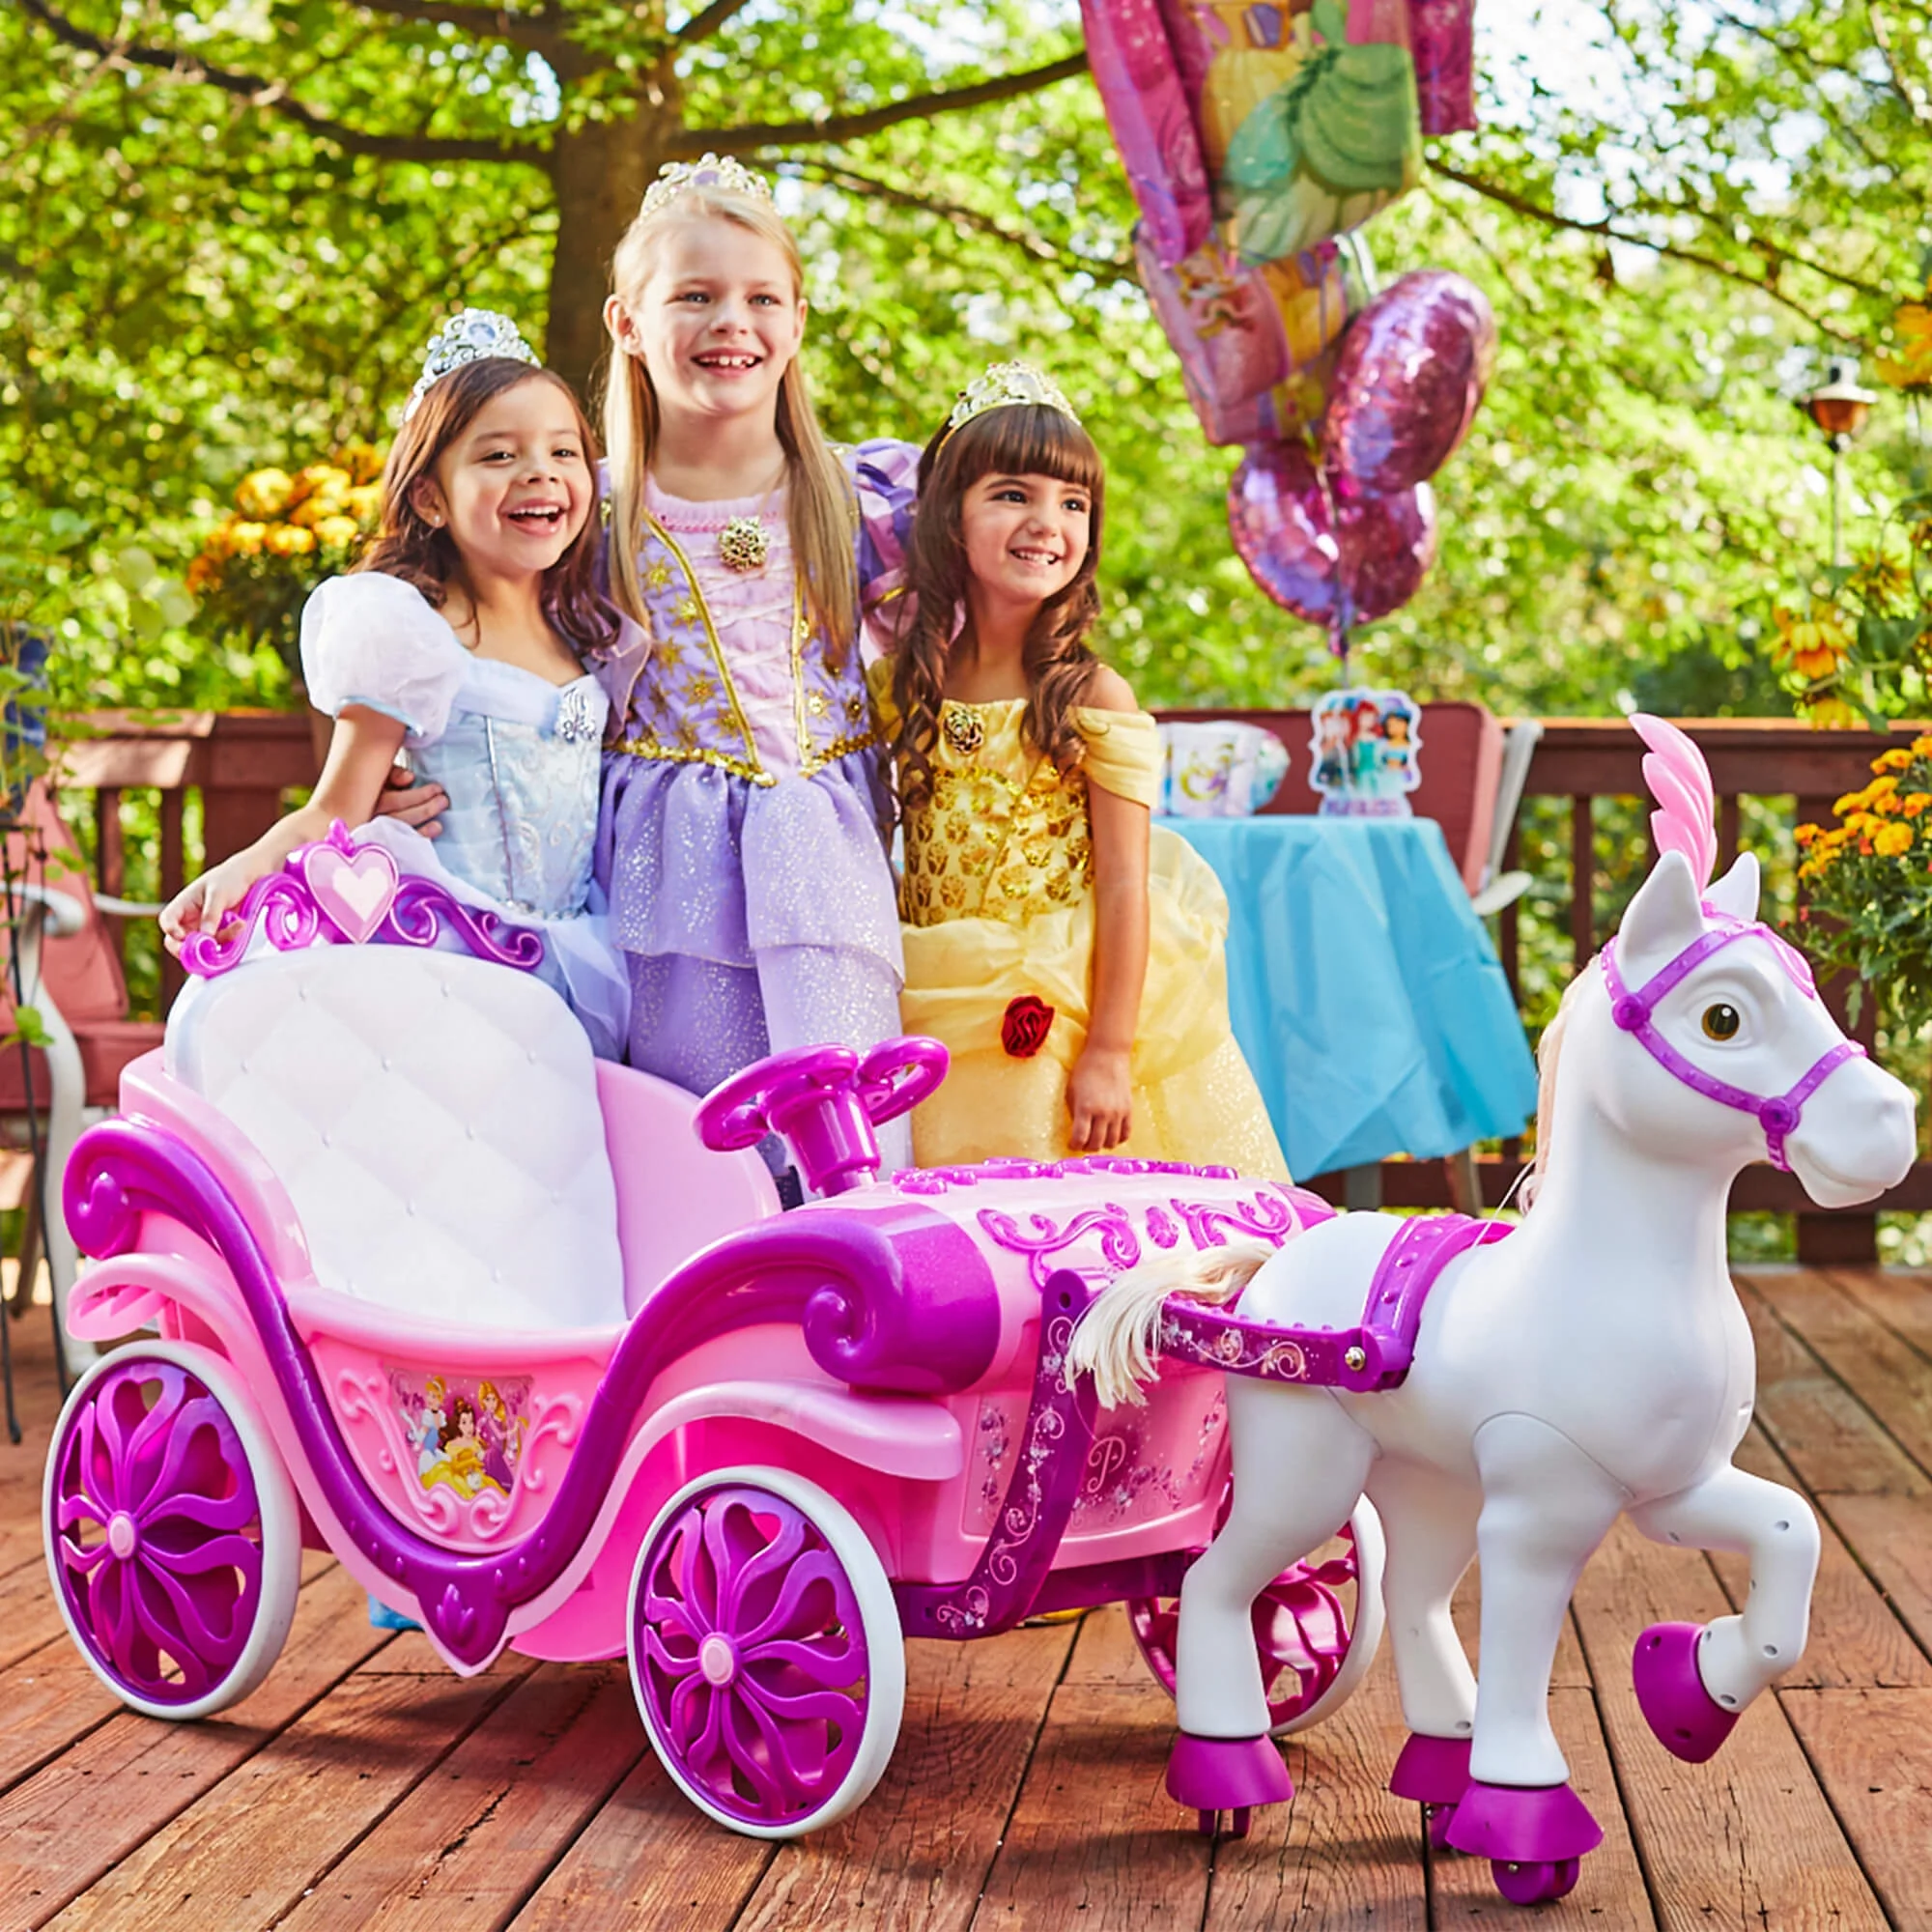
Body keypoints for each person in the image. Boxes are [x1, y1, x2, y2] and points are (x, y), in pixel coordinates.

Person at [160, 310, 628, 1059]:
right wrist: (243, 869)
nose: (539, 471)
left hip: (576, 955)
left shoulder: (590, 627)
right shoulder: (410, 631)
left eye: (562, 450)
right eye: (498, 454)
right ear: (430, 498)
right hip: (451, 952)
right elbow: (335, 810)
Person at [873, 362, 1288, 1177]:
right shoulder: (904, 685)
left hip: (1063, 1013)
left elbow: (1127, 887)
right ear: (951, 515)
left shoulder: (1092, 695)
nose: (1046, 523)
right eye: (1012, 495)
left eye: (1073, 504)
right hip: (937, 1001)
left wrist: (1108, 1050)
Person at [590, 156, 917, 1178]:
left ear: (797, 321)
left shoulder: (865, 498)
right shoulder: (589, 515)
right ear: (628, 323)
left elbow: (978, 653)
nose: (731, 321)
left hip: (834, 869)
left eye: (760, 298)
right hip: (670, 874)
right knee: (706, 1152)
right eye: (694, 295)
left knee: (854, 1144)